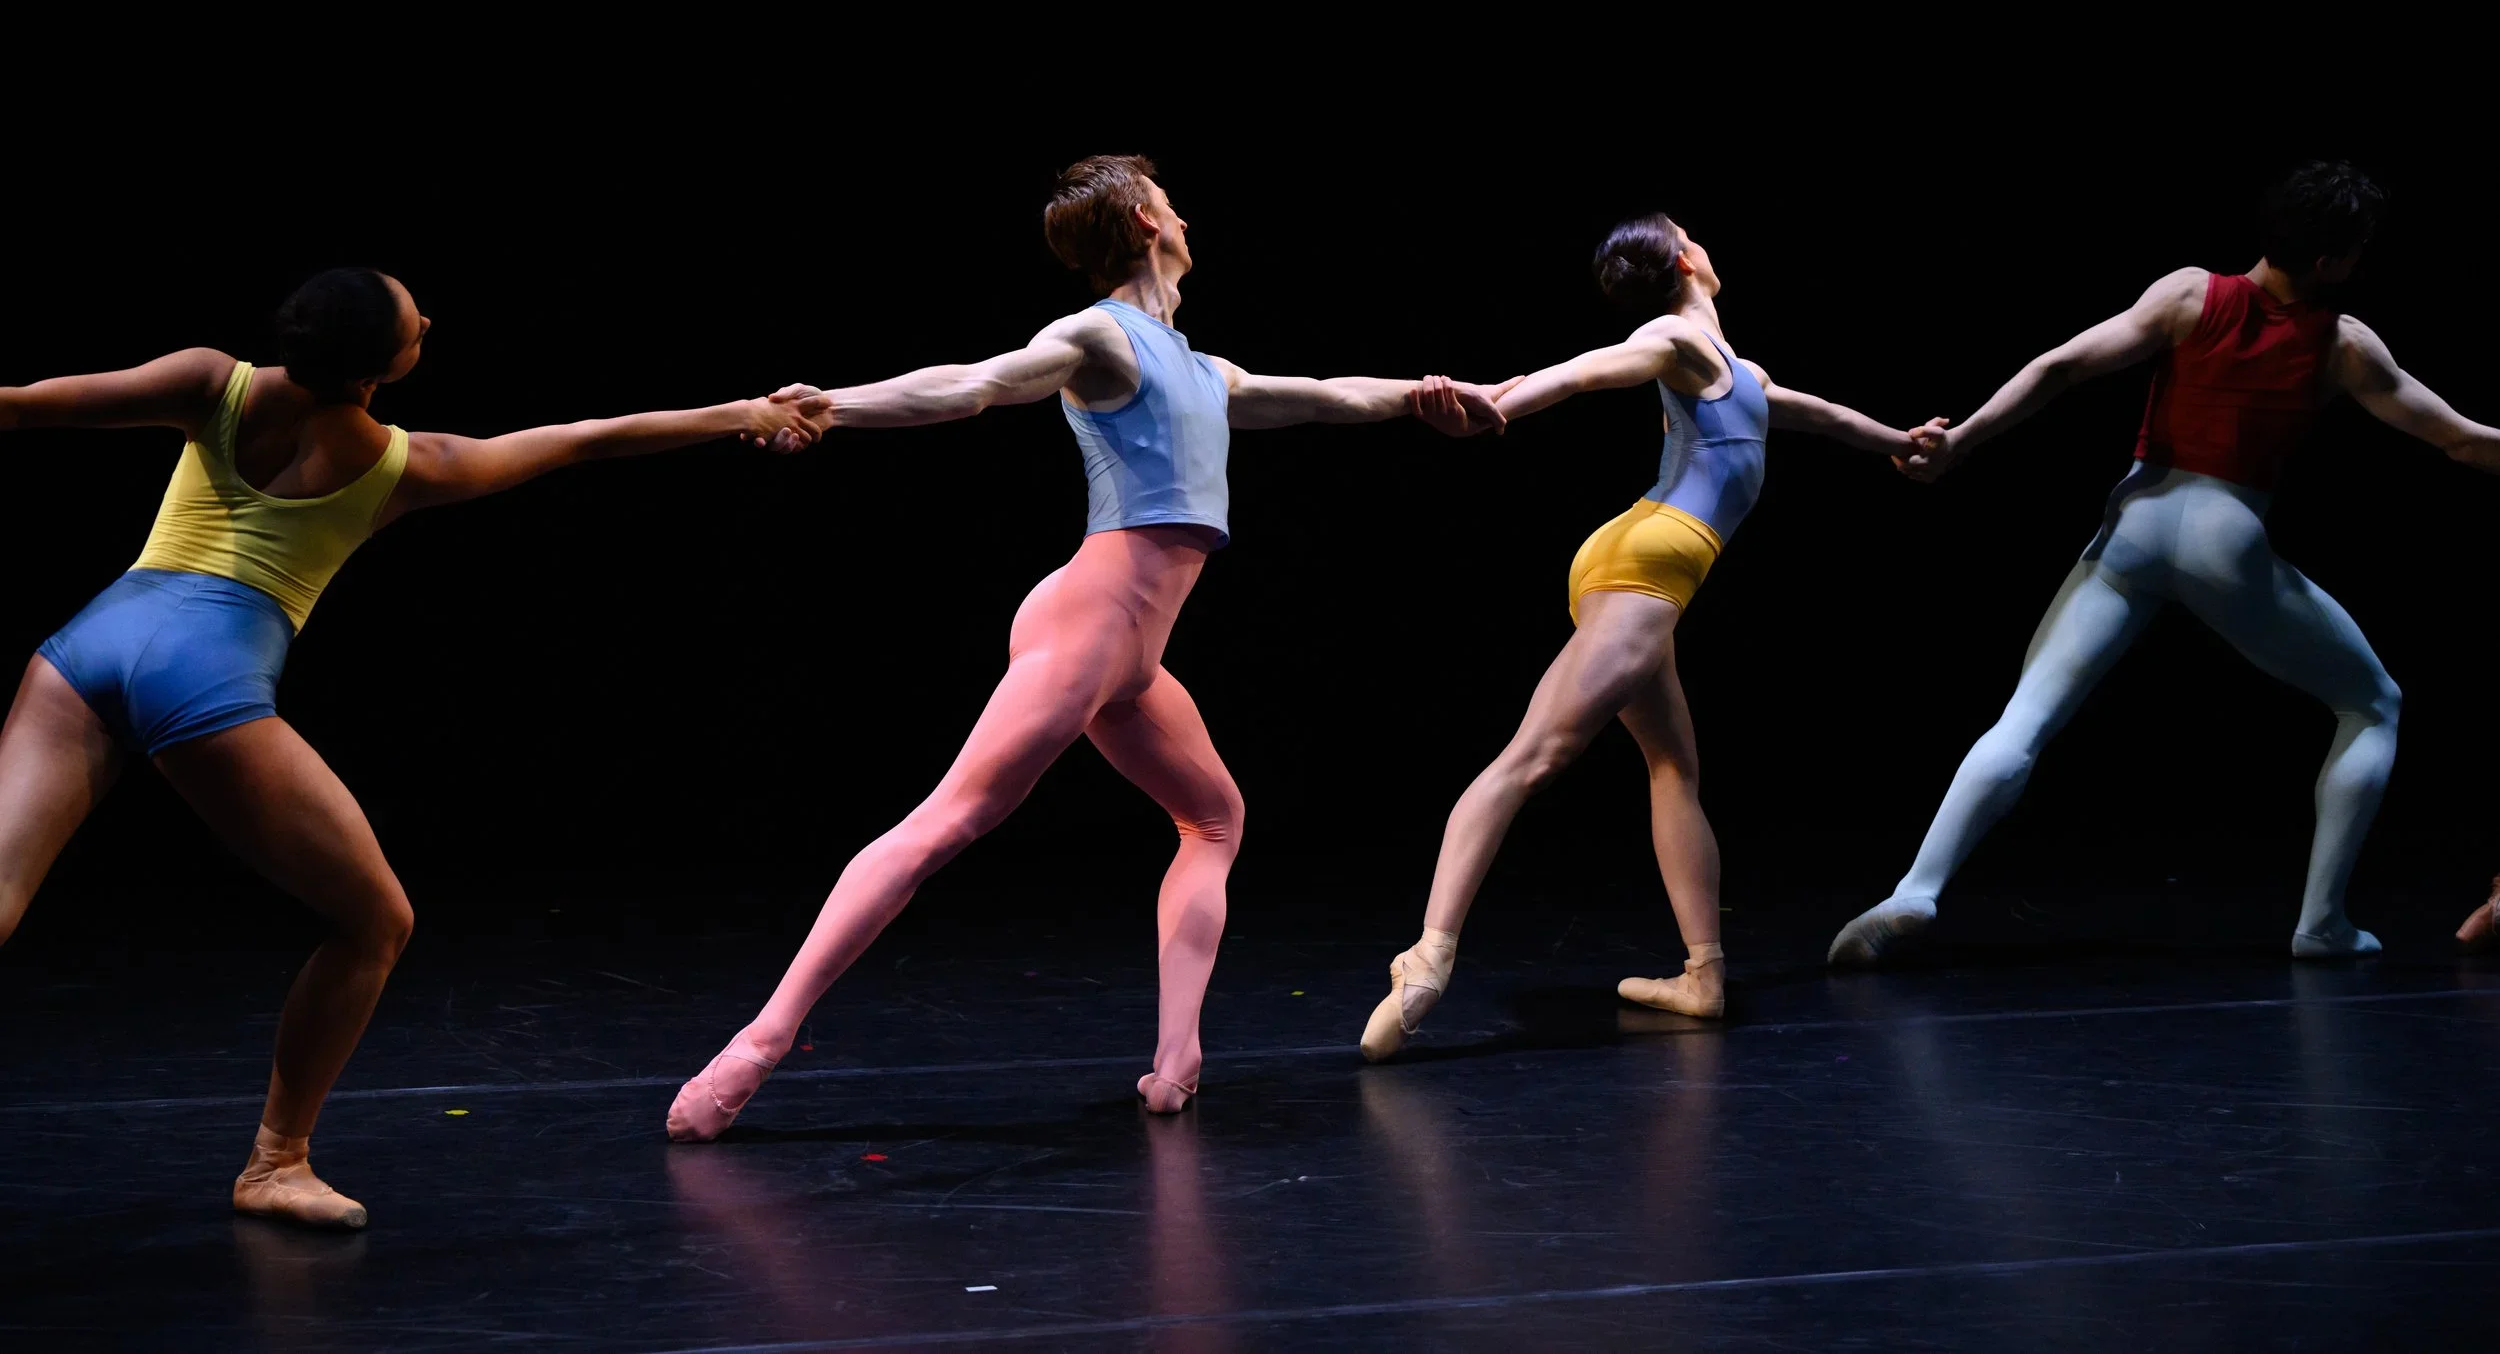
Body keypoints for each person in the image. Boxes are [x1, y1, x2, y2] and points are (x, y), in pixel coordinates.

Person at [666, 155, 1505, 1140]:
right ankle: (758, 1042)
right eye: (1175, 202)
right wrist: (833, 404)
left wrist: (1428, 394)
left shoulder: (1200, 367)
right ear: (1149, 220)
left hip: (1130, 649)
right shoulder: (1100, 336)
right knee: (947, 820)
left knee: (1215, 816)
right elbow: (973, 385)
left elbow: (1321, 394)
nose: (1188, 215)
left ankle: (1175, 1058)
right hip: (1088, 622)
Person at [0, 268, 827, 1229]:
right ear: (375, 372)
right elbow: (584, 440)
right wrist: (742, 412)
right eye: (414, 324)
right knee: (374, 920)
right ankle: (276, 1161)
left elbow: (17, 408)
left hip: (86, 647)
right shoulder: (405, 463)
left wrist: (738, 410)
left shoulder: (208, 382)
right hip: (203, 675)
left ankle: (277, 1165)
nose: (428, 318)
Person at [1830, 162, 2499, 967]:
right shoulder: (2344, 343)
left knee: (2026, 717)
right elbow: (2460, 439)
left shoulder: (2189, 293)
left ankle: (1916, 888)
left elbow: (2060, 365)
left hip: (2134, 523)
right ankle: (2321, 922)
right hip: (2228, 534)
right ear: (2330, 261)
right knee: (2375, 702)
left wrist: (1959, 442)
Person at [1359, 214, 1928, 1059]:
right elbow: (1588, 373)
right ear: (1687, 259)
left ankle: (1703, 976)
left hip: (1646, 572)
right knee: (1531, 759)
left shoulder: (1739, 369)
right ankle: (1426, 961)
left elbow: (1825, 417)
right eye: (1694, 233)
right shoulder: (1672, 337)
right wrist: (1493, 409)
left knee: (1674, 766)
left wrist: (1901, 443)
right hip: (1640, 570)